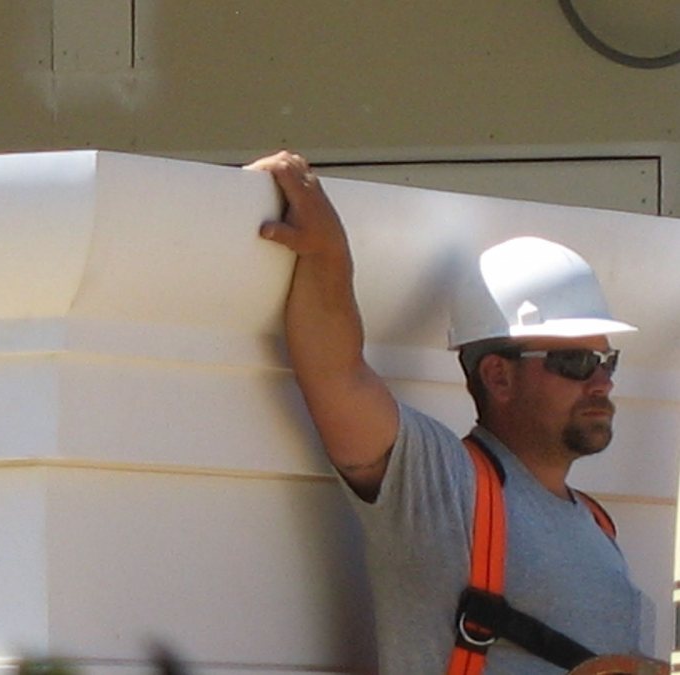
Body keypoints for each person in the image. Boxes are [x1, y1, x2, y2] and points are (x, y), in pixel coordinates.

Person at [246, 151, 655, 674]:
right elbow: (337, 376)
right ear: (498, 376)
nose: (602, 380)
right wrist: (330, 253)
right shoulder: (445, 484)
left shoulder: (599, 526)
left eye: (605, 360)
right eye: (575, 362)